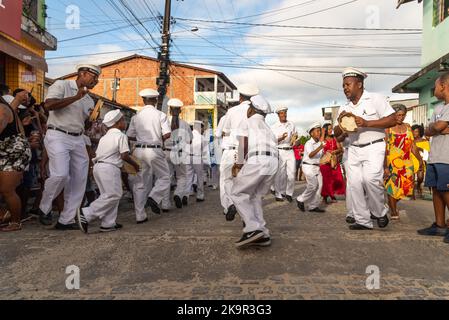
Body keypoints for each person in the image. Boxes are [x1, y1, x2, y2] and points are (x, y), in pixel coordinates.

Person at [37, 64, 101, 230]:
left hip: (78, 138)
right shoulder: (62, 85)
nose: (96, 81)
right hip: (57, 135)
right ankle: (44, 207)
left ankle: (66, 220)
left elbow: (82, 123)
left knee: (80, 180)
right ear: (83, 73)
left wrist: (91, 121)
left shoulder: (89, 99)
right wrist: (76, 97)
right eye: (94, 77)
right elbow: (49, 106)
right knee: (60, 175)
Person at [333, 67, 397, 230]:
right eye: (343, 85)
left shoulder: (375, 99)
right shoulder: (344, 108)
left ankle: (379, 211)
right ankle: (362, 220)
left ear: (359, 84)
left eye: (348, 84)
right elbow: (337, 134)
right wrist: (342, 126)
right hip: (352, 148)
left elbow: (392, 119)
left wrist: (367, 123)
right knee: (354, 184)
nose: (345, 88)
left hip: (373, 147)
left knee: (370, 180)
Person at [77, 110, 139, 233]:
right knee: (114, 194)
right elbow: (124, 156)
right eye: (122, 120)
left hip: (99, 168)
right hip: (109, 168)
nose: (125, 122)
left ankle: (108, 223)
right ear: (117, 123)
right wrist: (135, 165)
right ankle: (87, 213)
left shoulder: (105, 137)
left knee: (108, 194)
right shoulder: (121, 136)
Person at [230, 95, 278, 248]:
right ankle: (263, 233)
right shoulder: (267, 127)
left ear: (251, 109)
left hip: (258, 159)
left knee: (237, 192)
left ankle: (252, 228)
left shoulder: (248, 121)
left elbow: (243, 143)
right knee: (255, 196)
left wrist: (238, 164)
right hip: (273, 162)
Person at [127, 88, 171, 223]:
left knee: (139, 183)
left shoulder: (136, 116)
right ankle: (154, 197)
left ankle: (140, 215)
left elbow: (130, 135)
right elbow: (167, 134)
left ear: (143, 100)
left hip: (138, 151)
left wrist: (142, 136)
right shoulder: (160, 115)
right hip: (154, 149)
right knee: (165, 177)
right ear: (156, 100)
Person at [417, 72, 449, 243]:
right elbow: (429, 130)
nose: (434, 89)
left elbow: (440, 126)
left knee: (446, 191)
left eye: (435, 86)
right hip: (435, 156)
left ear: (443, 86)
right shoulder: (438, 108)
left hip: (447, 157)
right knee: (436, 190)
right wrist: (437, 128)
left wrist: (438, 127)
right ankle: (439, 225)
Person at [221, 83, 259, 221]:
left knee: (227, 180)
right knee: (246, 186)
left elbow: (225, 132)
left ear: (240, 97)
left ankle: (231, 203)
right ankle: (246, 219)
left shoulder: (232, 111)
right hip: (248, 151)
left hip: (231, 150)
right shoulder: (255, 112)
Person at [384, 104, 423, 220]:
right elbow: (385, 148)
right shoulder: (388, 128)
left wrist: (420, 160)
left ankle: (392, 204)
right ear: (393, 115)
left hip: (407, 163)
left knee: (406, 189)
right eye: (398, 115)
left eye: (403, 115)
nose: (400, 117)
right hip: (393, 163)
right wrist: (385, 166)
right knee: (392, 188)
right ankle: (393, 210)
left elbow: (413, 147)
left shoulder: (408, 127)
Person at [0, 92, 32, 231]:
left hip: (14, 153)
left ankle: (15, 222)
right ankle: (5, 214)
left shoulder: (2, 110)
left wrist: (19, 99)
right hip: (4, 151)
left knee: (7, 189)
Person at [162, 98, 192, 209]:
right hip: (179, 153)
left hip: (166, 152)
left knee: (166, 178)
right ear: (180, 111)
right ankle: (178, 194)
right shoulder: (185, 124)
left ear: (169, 110)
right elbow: (190, 140)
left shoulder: (164, 122)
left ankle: (165, 204)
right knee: (182, 177)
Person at [296, 123, 326, 213]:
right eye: (317, 131)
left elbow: (320, 156)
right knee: (313, 186)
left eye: (319, 131)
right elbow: (311, 155)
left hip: (316, 167)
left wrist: (325, 153)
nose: (319, 132)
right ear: (311, 133)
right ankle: (300, 199)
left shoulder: (319, 143)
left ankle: (313, 206)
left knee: (320, 186)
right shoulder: (308, 143)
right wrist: (320, 147)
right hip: (308, 166)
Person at [271, 106, 297, 202]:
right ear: (278, 115)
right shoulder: (274, 126)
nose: (284, 115)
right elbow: (272, 140)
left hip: (290, 150)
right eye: (282, 113)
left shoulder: (291, 124)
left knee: (292, 172)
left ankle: (289, 193)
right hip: (280, 150)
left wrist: (295, 140)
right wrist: (281, 138)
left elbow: (295, 135)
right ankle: (278, 193)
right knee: (280, 174)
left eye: (285, 113)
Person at [319, 122, 345, 204]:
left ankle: (332, 194)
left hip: (334, 161)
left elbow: (341, 149)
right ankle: (326, 196)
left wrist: (334, 151)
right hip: (325, 162)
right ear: (325, 130)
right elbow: (320, 145)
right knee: (326, 180)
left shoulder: (335, 138)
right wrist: (322, 133)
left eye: (331, 128)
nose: (331, 130)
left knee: (337, 178)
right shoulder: (322, 138)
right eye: (329, 129)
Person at [190, 120, 207, 202]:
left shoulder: (188, 135)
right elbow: (205, 151)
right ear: (200, 127)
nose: (203, 130)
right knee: (199, 177)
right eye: (202, 128)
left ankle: (187, 193)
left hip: (188, 158)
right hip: (198, 157)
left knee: (189, 177)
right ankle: (200, 195)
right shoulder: (202, 137)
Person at [411, 124, 430, 199]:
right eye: (413, 132)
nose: (414, 133)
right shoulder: (410, 140)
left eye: (416, 132)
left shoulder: (424, 141)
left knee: (420, 178)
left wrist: (418, 148)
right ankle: (412, 195)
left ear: (420, 132)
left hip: (420, 161)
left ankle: (419, 185)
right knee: (411, 179)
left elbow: (426, 152)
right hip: (411, 160)